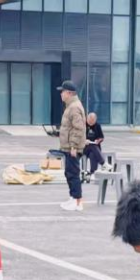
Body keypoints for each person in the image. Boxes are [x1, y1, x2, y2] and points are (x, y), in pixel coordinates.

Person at [57, 80, 88, 212]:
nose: (61, 94)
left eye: (62, 92)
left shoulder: (74, 107)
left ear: (69, 93)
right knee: (69, 173)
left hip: (72, 148)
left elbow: (78, 128)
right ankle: (73, 198)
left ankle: (77, 202)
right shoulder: (71, 106)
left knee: (73, 173)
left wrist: (74, 146)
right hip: (69, 147)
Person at [83, 112, 111, 177]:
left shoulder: (97, 126)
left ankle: (92, 173)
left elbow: (101, 137)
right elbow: (78, 137)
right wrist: (84, 141)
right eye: (90, 121)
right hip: (84, 148)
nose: (91, 123)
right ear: (87, 118)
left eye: (93, 121)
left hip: (95, 149)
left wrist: (98, 141)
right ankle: (103, 163)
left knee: (92, 154)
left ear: (95, 120)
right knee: (92, 146)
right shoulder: (83, 125)